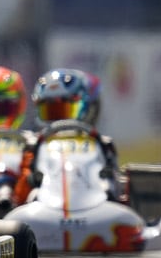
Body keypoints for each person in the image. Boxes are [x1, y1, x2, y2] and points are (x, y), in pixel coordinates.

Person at [16, 67, 120, 205]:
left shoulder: (101, 143)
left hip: (93, 204)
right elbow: (21, 195)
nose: (60, 122)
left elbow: (115, 189)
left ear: (85, 108)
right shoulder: (34, 145)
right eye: (51, 112)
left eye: (65, 110)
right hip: (46, 206)